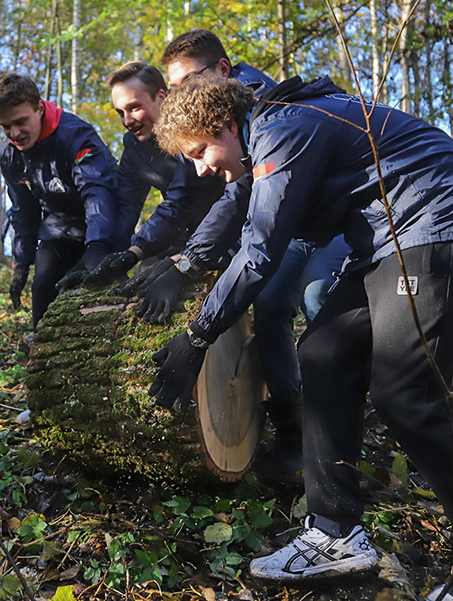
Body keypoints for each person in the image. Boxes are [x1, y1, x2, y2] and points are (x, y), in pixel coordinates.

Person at [150, 73, 453, 599]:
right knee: (321, 354)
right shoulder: (263, 135)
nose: (202, 165)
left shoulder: (284, 129)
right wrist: (182, 263)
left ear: (228, 124)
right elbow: (241, 215)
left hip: (442, 220)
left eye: (202, 149)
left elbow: (260, 250)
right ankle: (335, 531)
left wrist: (197, 337)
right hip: (384, 240)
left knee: (407, 395)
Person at [149, 29, 350, 482]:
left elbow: (253, 228)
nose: (180, 93)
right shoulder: (235, 126)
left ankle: (338, 433)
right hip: (295, 224)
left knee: (322, 301)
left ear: (221, 72)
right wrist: (186, 260)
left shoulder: (261, 112)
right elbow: (237, 197)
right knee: (271, 304)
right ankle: (291, 425)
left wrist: (197, 333)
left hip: (334, 224)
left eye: (187, 81)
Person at [0, 73, 123, 327]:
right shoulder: (10, 156)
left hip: (103, 225)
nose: (14, 134)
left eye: (20, 122)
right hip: (58, 227)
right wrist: (21, 263)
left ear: (39, 109)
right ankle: (40, 349)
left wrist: (98, 246)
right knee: (43, 287)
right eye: (6, 127)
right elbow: (23, 210)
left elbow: (98, 192)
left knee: (96, 296)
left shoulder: (76, 136)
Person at [82, 62, 225, 291]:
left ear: (162, 97)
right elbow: (126, 202)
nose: (127, 121)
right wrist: (103, 254)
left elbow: (182, 199)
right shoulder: (133, 145)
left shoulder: (191, 128)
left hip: (226, 230)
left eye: (134, 107)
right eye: (121, 112)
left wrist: (133, 252)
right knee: (144, 278)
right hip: (180, 234)